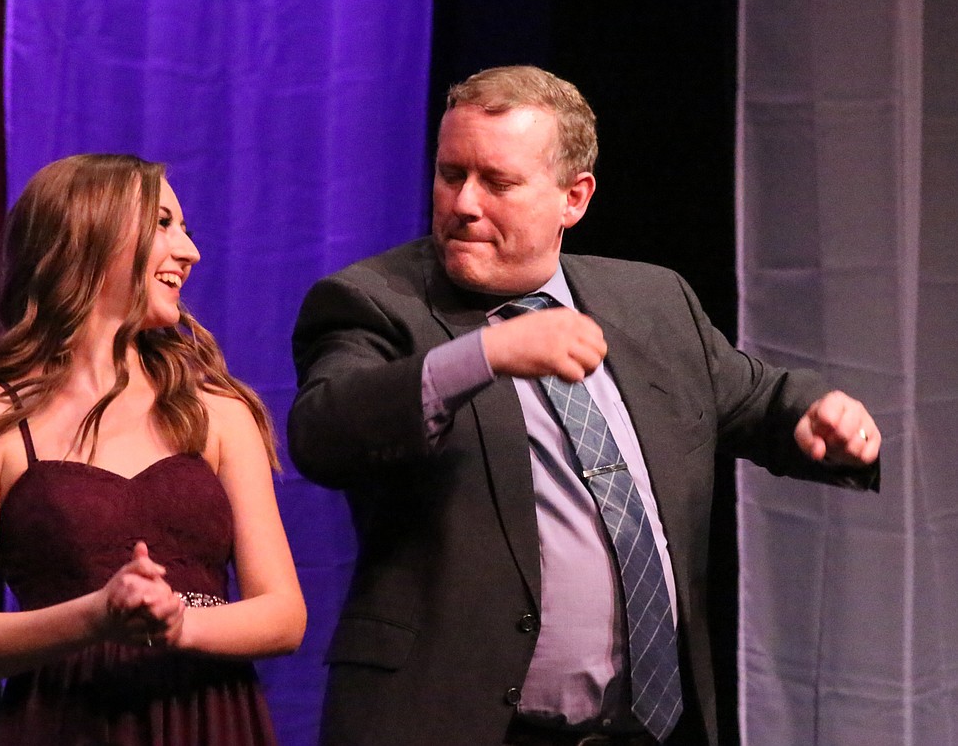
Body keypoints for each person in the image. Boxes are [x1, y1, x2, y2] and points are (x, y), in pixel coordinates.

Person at [286, 66, 880, 746]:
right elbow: (324, 429)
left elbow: (753, 395)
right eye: (451, 174)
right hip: (460, 722)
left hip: (647, 729)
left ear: (574, 197)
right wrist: (485, 354)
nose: (464, 204)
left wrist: (815, 414)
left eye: (497, 182)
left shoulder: (653, 302)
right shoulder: (372, 301)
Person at [0, 153, 306, 744]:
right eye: (162, 224)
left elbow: (284, 614)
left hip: (207, 715)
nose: (189, 252)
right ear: (88, 233)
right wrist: (97, 617)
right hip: (65, 720)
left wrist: (177, 625)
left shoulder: (217, 412)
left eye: (186, 229)